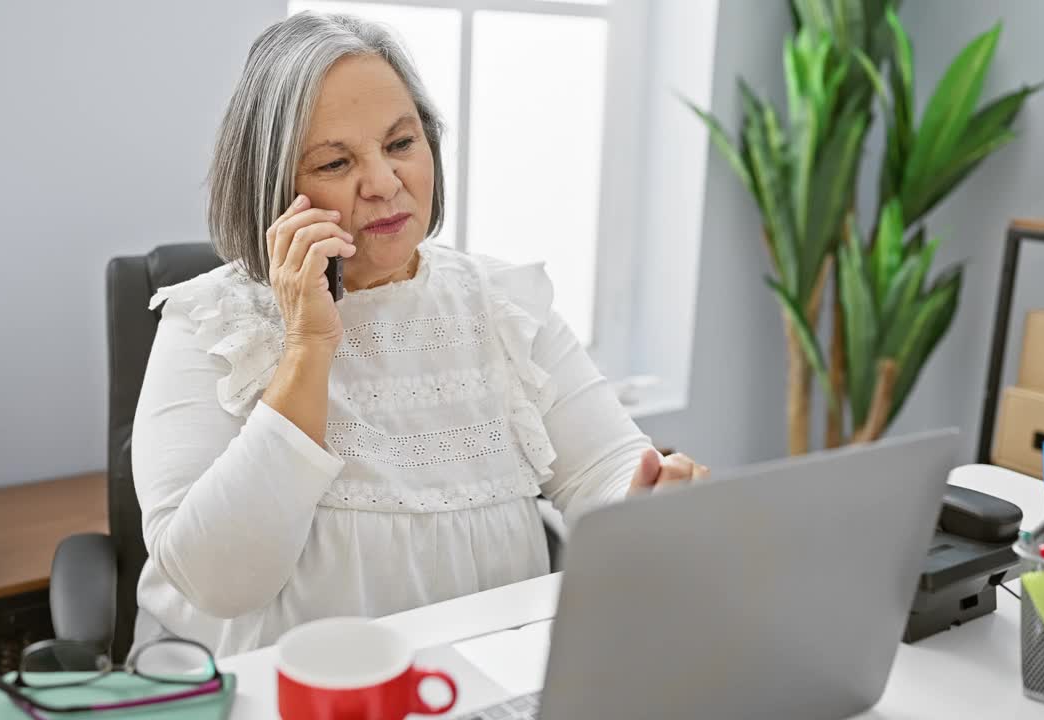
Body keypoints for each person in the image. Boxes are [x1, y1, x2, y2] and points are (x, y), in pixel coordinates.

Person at [131, 10, 708, 657]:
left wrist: (651, 496)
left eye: (401, 144)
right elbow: (217, 583)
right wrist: (308, 348)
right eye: (336, 161)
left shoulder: (504, 304)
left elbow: (607, 471)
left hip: (482, 682)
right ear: (274, 189)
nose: (383, 183)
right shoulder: (209, 323)